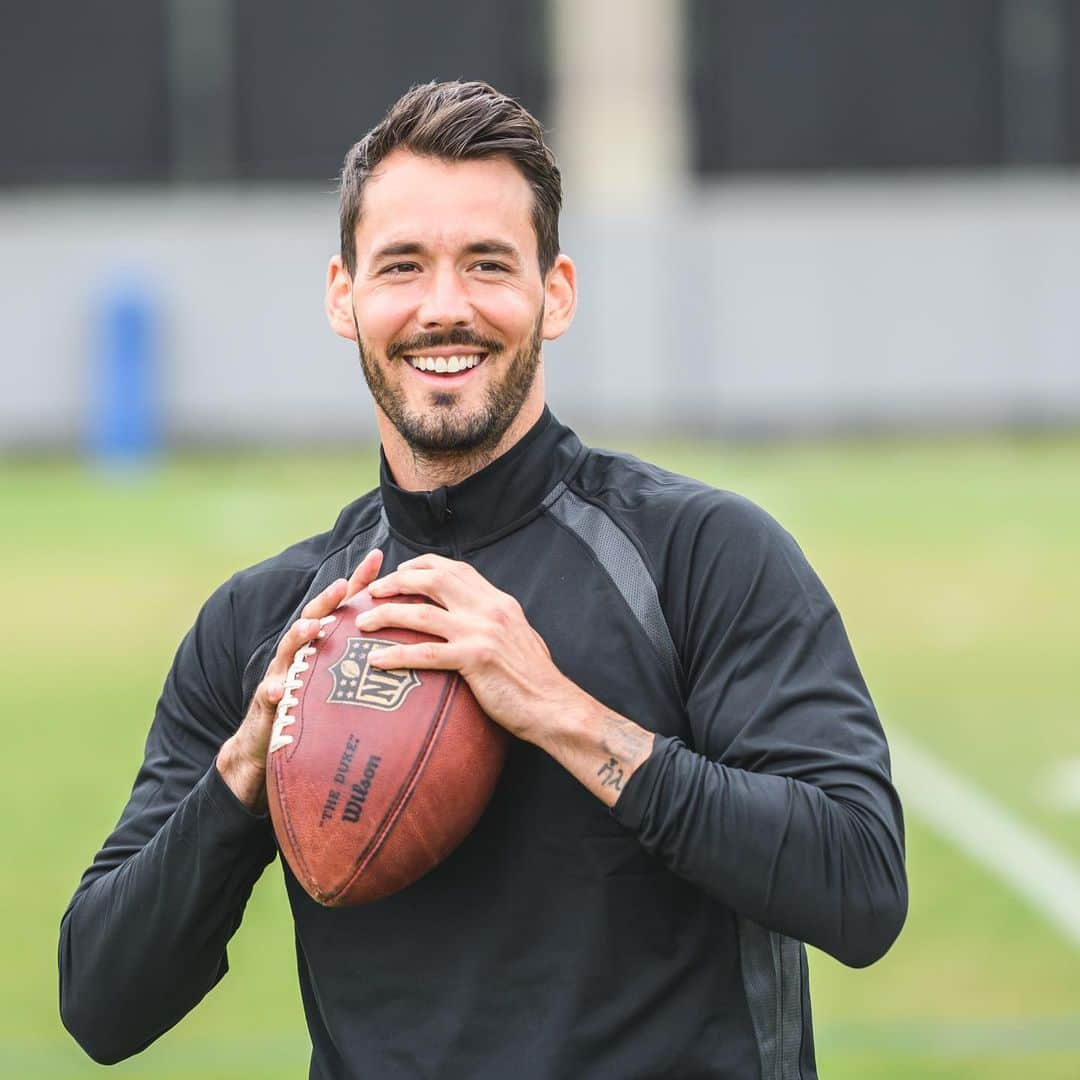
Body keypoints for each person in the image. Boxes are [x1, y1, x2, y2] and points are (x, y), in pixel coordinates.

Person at [59, 80, 907, 1079]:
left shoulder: (702, 556)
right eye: (403, 266)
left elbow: (857, 885)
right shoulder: (270, 621)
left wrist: (560, 714)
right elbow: (100, 1004)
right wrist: (246, 770)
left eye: (488, 265)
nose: (445, 308)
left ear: (555, 292)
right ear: (346, 295)